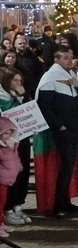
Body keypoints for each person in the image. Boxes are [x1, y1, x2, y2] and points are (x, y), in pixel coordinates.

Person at [36, 46, 78, 218]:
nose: (70, 60)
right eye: (65, 57)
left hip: (74, 129)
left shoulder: (72, 76)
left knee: (69, 167)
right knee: (63, 167)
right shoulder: (50, 79)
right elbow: (44, 106)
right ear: (57, 60)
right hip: (62, 131)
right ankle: (57, 205)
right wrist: (60, 126)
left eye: (71, 57)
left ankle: (65, 201)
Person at [0, 72, 31, 226]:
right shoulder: (1, 97)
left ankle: (17, 205)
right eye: (15, 80)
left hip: (21, 139)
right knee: (8, 174)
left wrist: (24, 95)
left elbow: (31, 111)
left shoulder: (19, 96)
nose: (19, 83)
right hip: (6, 142)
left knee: (22, 171)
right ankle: (7, 209)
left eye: (21, 80)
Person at [0, 117, 22, 237]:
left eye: (9, 133)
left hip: (7, 179)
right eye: (5, 133)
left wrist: (19, 167)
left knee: (2, 202)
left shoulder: (11, 144)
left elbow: (15, 158)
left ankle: (1, 223)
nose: (8, 136)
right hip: (1, 179)